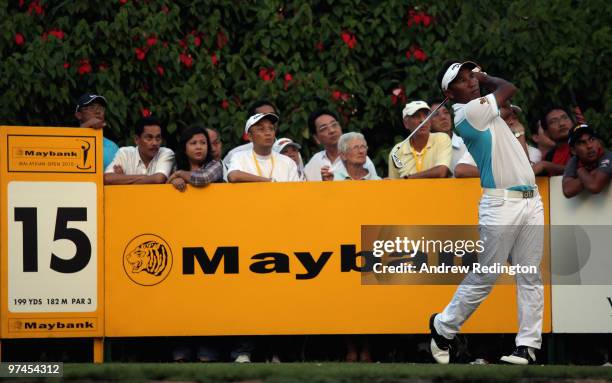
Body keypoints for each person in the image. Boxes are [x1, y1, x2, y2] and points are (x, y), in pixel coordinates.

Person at [430, 60, 544, 365]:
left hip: (531, 201)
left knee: (529, 274)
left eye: (472, 76)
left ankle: (528, 346)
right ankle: (443, 326)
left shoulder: (484, 108)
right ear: (450, 94)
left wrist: (484, 86)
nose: (472, 81)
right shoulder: (468, 112)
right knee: (487, 274)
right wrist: (486, 76)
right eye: (463, 80)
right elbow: (508, 88)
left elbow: (505, 104)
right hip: (500, 204)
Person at [304, 109, 378, 181]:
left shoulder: (360, 159)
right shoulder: (314, 162)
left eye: (334, 125)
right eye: (324, 128)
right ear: (316, 138)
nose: (332, 130)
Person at [227, 113, 299, 183]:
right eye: (261, 129)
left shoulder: (288, 162)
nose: (268, 133)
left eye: (271, 128)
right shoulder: (240, 157)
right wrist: (268, 181)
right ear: (250, 136)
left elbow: (296, 192)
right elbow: (233, 176)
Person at [388, 101, 452, 179]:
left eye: (426, 115)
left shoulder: (442, 138)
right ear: (406, 123)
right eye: (416, 116)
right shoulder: (396, 151)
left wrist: (408, 178)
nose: (422, 120)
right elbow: (394, 185)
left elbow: (441, 172)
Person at [104, 116, 174, 185]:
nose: (154, 143)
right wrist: (147, 178)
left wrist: (123, 179)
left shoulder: (166, 153)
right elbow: (107, 178)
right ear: (136, 139)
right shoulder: (125, 153)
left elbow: (158, 179)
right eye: (149, 138)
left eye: (158, 138)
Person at [168, 126, 223, 191]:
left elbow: (203, 178)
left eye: (203, 143)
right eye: (193, 143)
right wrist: (174, 181)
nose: (199, 147)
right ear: (184, 149)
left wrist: (180, 174)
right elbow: (165, 185)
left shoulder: (216, 165)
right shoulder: (177, 166)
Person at [223, 100, 278, 166]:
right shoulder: (235, 154)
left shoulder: (289, 150)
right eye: (262, 117)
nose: (268, 121)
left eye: (271, 115)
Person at [562, 125, 611, 198]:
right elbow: (567, 191)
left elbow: (595, 186)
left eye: (592, 139)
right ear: (573, 151)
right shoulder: (574, 160)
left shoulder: (608, 156)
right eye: (581, 142)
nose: (589, 146)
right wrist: (591, 173)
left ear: (598, 143)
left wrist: (580, 171)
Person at [74, 93, 119, 169]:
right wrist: (85, 127)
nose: (98, 111)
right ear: (79, 115)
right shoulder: (67, 140)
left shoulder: (113, 146)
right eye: (92, 108)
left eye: (101, 108)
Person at [532, 107, 574, 175]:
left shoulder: (584, 144)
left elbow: (581, 169)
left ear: (573, 122)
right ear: (546, 133)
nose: (561, 123)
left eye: (565, 118)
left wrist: (546, 166)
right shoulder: (549, 157)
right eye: (553, 121)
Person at [429, 100, 467, 175]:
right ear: (427, 122)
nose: (443, 117)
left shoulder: (467, 145)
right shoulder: (424, 149)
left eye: (446, 112)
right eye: (436, 114)